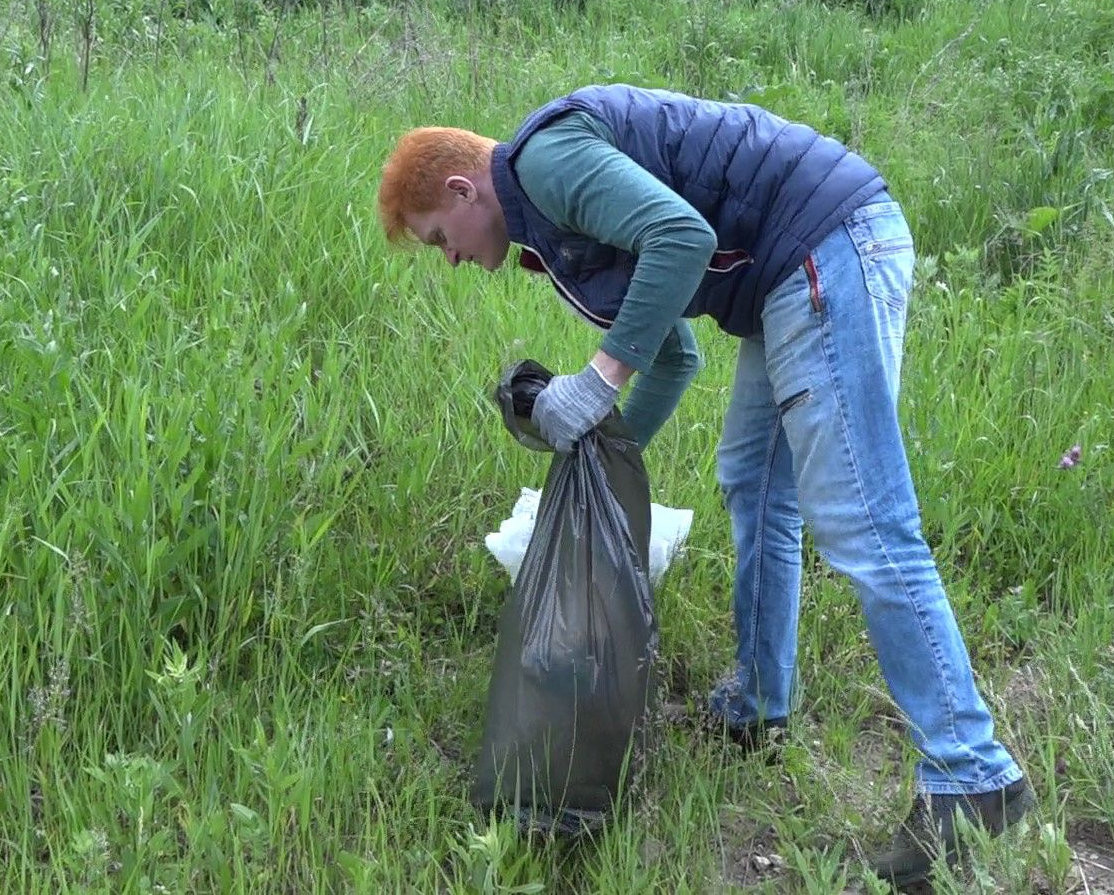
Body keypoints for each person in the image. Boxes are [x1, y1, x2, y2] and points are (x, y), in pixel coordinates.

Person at [376, 83, 1034, 888]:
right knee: (756, 488)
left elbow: (681, 238)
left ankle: (971, 776)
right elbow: (677, 354)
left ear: (461, 189)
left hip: (827, 249)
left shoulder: (544, 162)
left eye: (440, 237)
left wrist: (596, 381)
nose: (450, 257)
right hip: (782, 283)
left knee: (864, 521)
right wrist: (593, 455)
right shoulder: (547, 226)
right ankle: (758, 702)